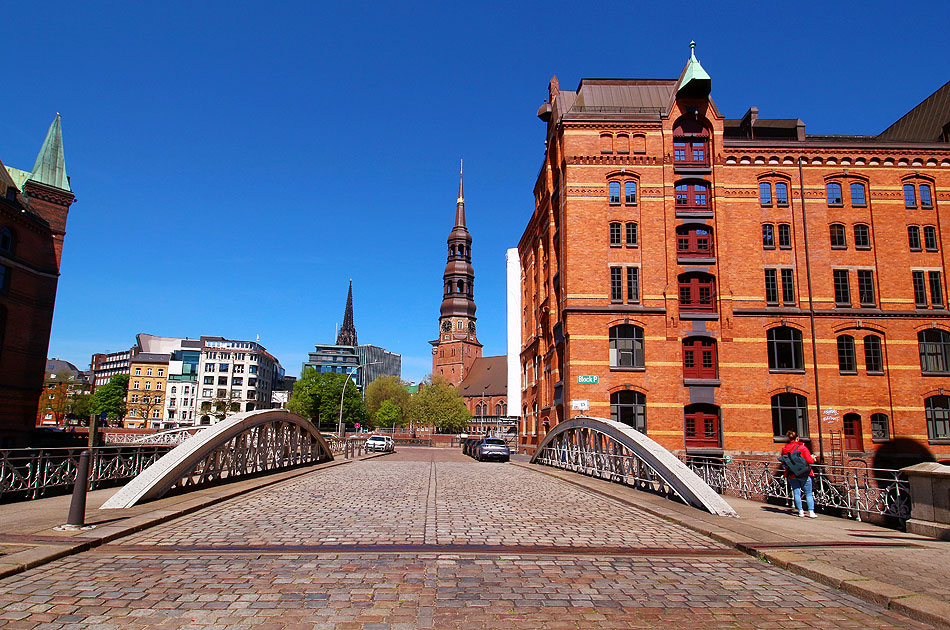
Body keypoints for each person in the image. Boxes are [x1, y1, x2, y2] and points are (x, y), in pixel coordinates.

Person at [780, 430, 817, 518]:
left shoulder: (785, 449)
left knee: (796, 492)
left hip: (791, 473)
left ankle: (800, 511)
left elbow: (783, 462)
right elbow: (809, 460)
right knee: (808, 493)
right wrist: (813, 458)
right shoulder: (802, 448)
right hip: (804, 473)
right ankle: (811, 512)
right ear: (798, 438)